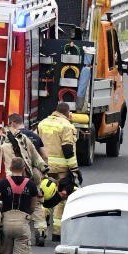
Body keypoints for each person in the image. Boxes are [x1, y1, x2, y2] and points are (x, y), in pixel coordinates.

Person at [0, 114, 50, 246]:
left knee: (14, 205)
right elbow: (39, 158)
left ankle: (13, 233)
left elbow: (6, 165)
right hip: (33, 176)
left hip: (14, 179)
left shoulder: (5, 145)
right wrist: (43, 171)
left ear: (11, 124)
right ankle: (40, 232)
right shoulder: (29, 138)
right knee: (37, 203)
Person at [37, 102, 81, 242]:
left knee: (45, 197)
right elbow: (68, 149)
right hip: (61, 169)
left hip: (44, 167)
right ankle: (57, 233)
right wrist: (74, 169)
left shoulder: (42, 123)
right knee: (61, 198)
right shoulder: (67, 126)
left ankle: (41, 230)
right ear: (67, 113)